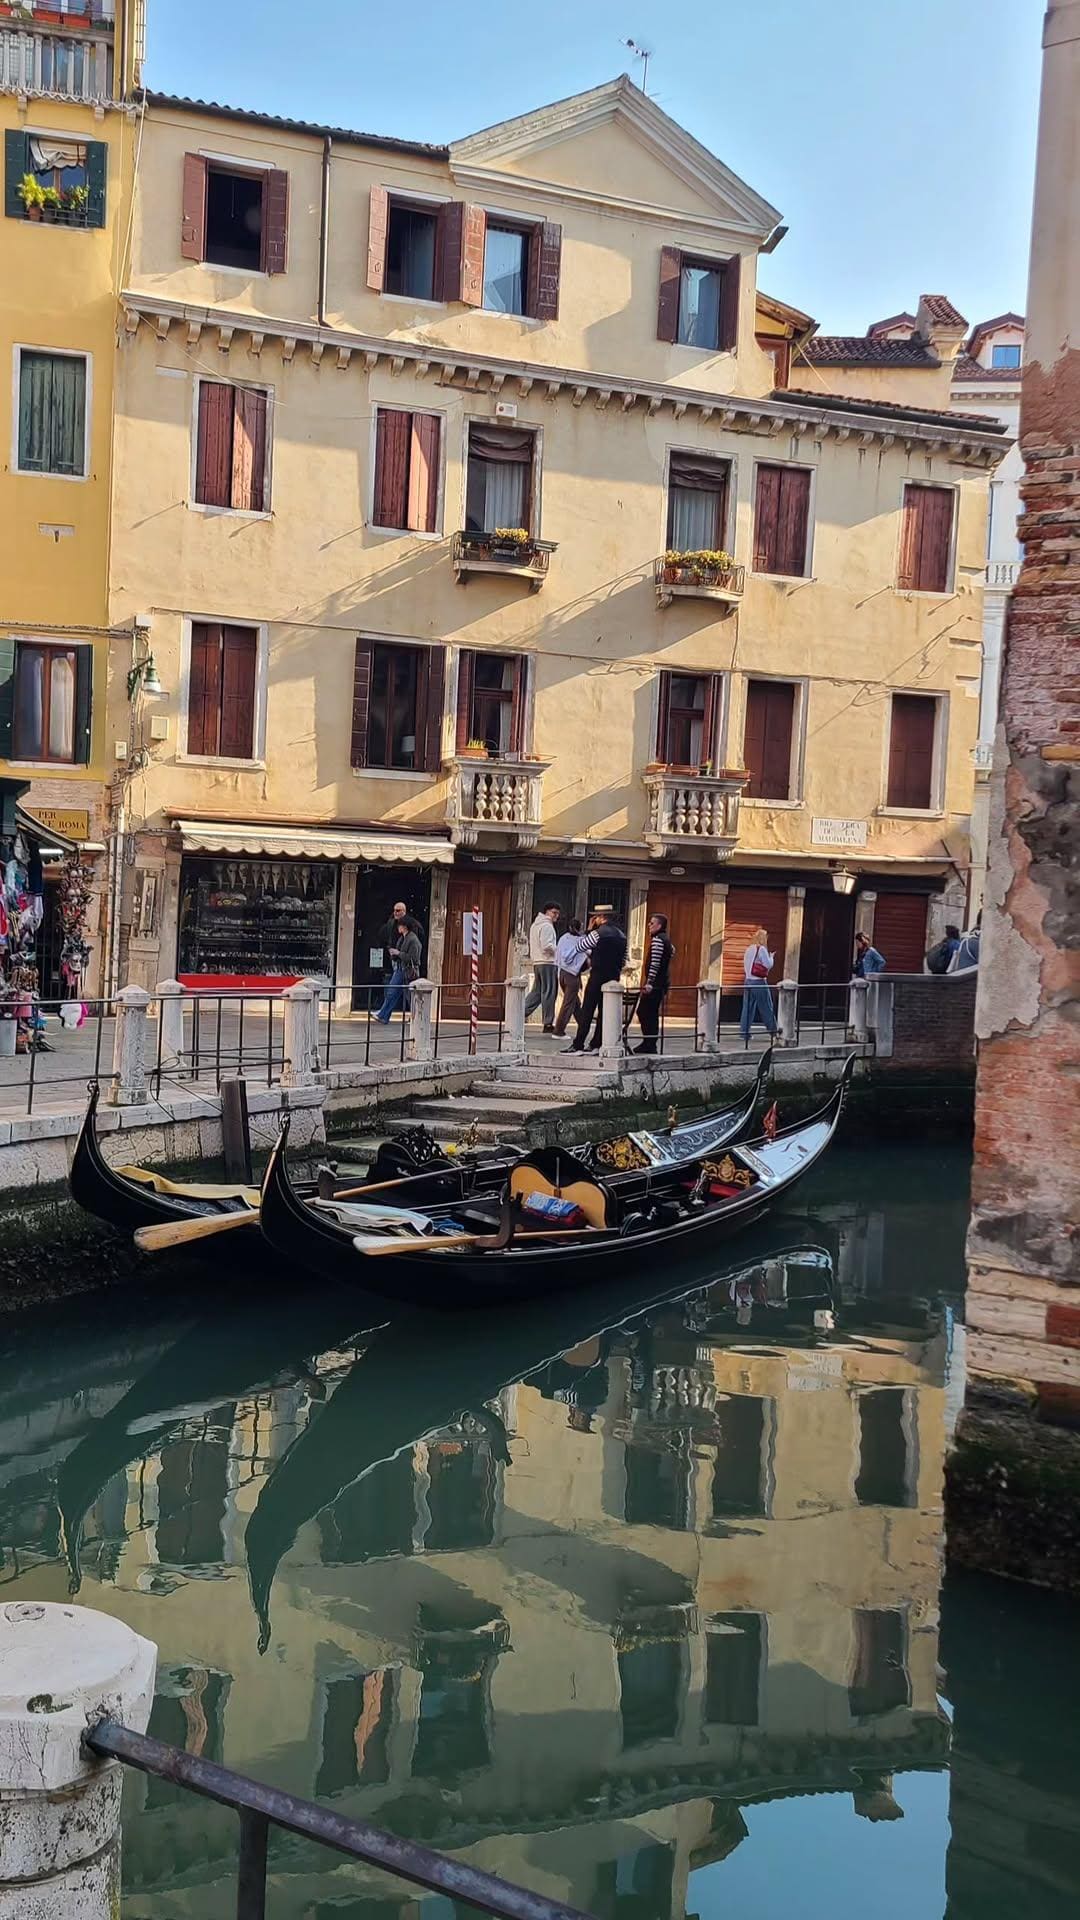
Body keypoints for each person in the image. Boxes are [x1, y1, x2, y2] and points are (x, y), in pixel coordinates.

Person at [567, 906, 628, 1052]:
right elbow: (625, 960)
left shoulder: (597, 933)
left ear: (601, 917)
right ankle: (596, 1043)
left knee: (587, 1010)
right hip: (614, 977)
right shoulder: (622, 935)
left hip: (598, 976)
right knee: (604, 1012)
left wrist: (589, 930)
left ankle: (578, 1043)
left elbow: (581, 946)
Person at [632, 912, 675, 1054]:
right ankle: (649, 1042)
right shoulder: (665, 940)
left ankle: (649, 1043)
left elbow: (655, 964)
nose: (649, 925)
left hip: (655, 984)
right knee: (650, 1012)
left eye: (652, 923)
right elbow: (672, 951)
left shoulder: (658, 940)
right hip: (662, 983)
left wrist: (649, 982)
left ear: (660, 925)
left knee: (644, 1011)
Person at [374, 916, 422, 1023]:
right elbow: (399, 953)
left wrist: (398, 953)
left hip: (407, 971)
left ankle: (415, 1017)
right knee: (393, 992)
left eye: (399, 925)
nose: (398, 927)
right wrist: (393, 954)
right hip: (400, 969)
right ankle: (384, 1015)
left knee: (407, 995)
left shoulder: (413, 940)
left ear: (405, 926)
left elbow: (413, 958)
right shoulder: (402, 939)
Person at [524, 902, 561, 1030]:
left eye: (557, 913)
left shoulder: (535, 925)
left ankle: (519, 1012)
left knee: (537, 992)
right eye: (554, 912)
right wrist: (559, 951)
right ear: (547, 912)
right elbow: (547, 946)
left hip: (538, 962)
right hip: (548, 962)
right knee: (549, 992)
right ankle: (548, 1022)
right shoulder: (547, 926)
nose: (556, 916)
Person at [741, 925, 778, 1046]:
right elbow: (767, 965)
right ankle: (773, 1031)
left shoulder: (748, 949)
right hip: (759, 982)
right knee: (766, 1006)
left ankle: (744, 1032)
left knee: (747, 1007)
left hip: (747, 981)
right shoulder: (761, 949)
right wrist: (771, 957)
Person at [553, 917, 587, 1036]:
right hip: (572, 975)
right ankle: (559, 1030)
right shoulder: (581, 941)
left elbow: (558, 956)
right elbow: (584, 959)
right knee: (568, 1003)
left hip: (561, 973)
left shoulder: (563, 938)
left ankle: (583, 1025)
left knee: (575, 1002)